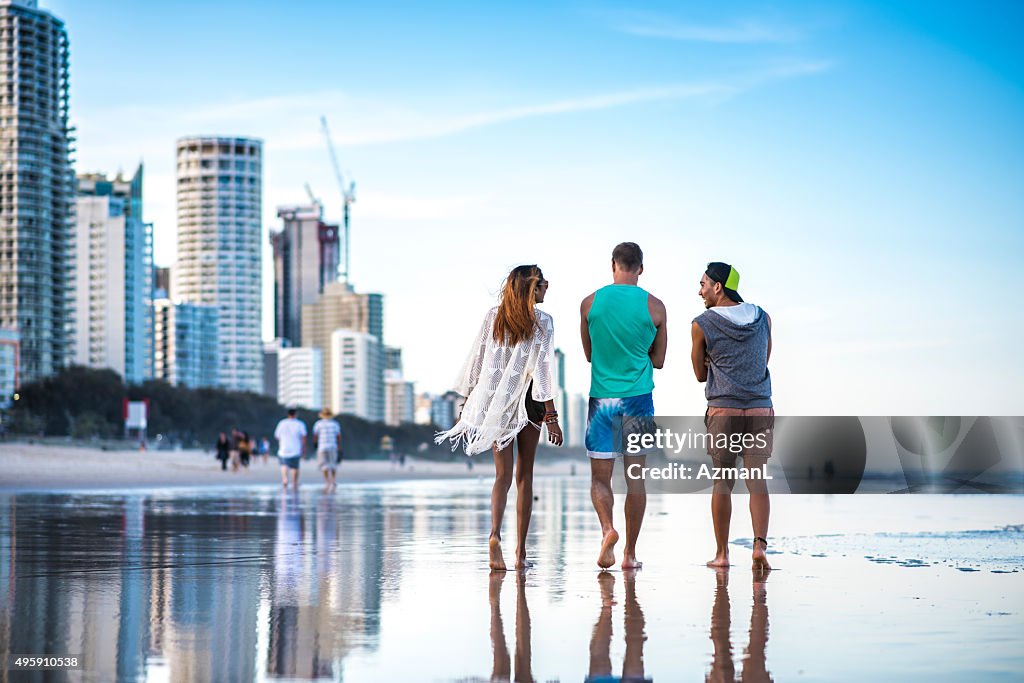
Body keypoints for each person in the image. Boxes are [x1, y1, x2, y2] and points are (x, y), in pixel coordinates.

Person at [436, 264, 563, 571]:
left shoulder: (494, 316)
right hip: (531, 401)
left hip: (497, 402)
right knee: (525, 476)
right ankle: (519, 554)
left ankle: (494, 535)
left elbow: (478, 360)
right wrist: (551, 415)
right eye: (542, 282)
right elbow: (542, 371)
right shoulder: (543, 321)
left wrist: (469, 401)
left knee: (502, 476)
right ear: (532, 288)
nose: (547, 285)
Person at [580, 242, 667, 570]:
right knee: (636, 479)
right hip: (638, 400)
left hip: (602, 399)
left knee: (600, 478)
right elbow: (658, 361)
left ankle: (607, 530)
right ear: (640, 268)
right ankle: (629, 555)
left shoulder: (590, 304)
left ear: (613, 265)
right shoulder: (656, 308)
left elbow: (589, 355)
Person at [691, 262, 773, 572]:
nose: (700, 291)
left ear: (718, 286)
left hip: (724, 408)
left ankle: (723, 554)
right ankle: (758, 547)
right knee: (757, 481)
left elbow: (700, 374)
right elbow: (762, 360)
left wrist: (715, 362)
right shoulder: (762, 318)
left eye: (703, 284)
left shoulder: (702, 324)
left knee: (722, 482)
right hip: (759, 406)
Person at [274, 408, 308, 490]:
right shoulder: (300, 424)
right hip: (296, 448)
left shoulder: (282, 423)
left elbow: (277, 436)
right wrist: (303, 447)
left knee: (284, 465)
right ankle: (294, 482)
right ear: (296, 414)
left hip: (284, 448)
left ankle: (285, 479)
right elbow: (303, 436)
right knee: (295, 467)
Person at [312, 407, 342, 492]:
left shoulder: (318, 424)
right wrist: (339, 446)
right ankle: (333, 481)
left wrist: (315, 444)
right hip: (333, 446)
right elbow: (338, 436)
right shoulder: (335, 424)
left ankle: (327, 482)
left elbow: (315, 436)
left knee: (324, 465)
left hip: (322, 446)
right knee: (333, 464)